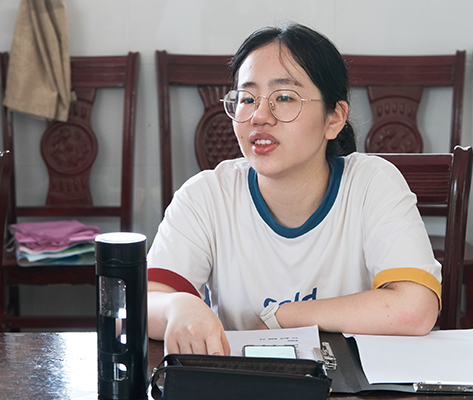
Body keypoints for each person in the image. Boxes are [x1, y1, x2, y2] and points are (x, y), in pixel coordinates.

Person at [146, 23, 441, 356]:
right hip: (245, 378)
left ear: (334, 118)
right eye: (247, 98)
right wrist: (177, 306)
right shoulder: (206, 196)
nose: (259, 116)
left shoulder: (372, 184)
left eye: (284, 97)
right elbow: (142, 304)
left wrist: (282, 317)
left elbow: (415, 308)